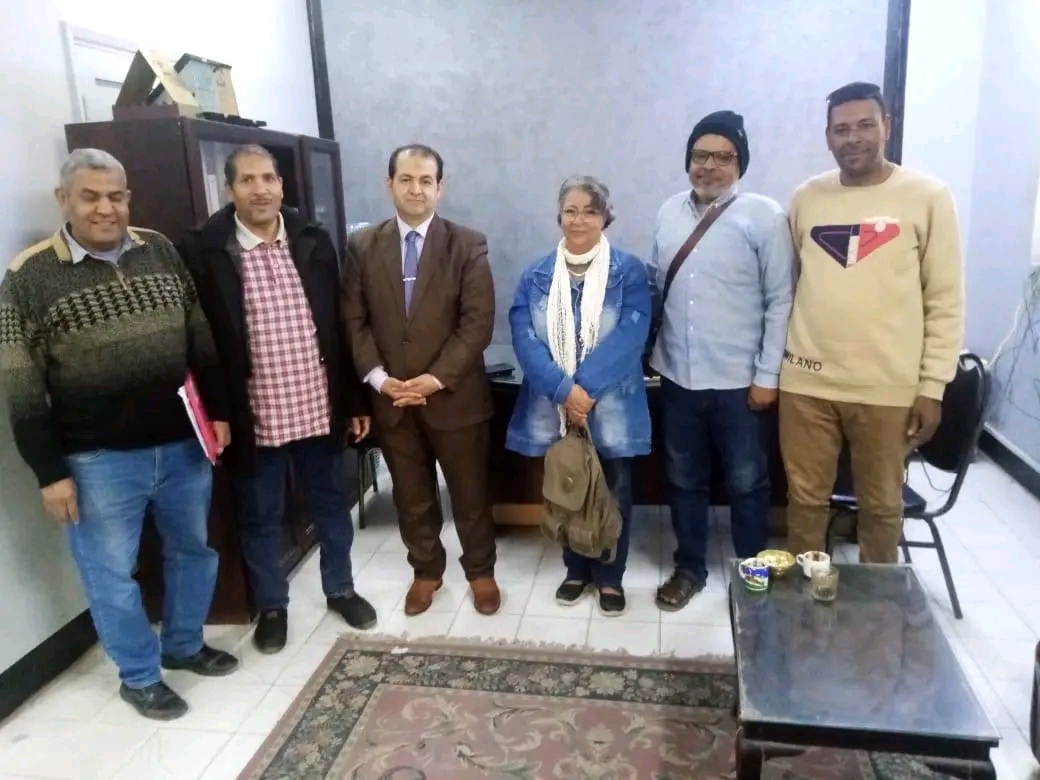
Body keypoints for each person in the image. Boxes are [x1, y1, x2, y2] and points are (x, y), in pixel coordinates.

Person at [0, 149, 238, 720]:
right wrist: (49, 473)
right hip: (97, 460)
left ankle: (184, 645)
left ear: (128, 197)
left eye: (116, 195)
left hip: (183, 444)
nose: (105, 208)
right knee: (110, 574)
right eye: (90, 196)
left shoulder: (159, 249)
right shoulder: (27, 277)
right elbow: (20, 385)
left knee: (194, 550)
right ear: (64, 199)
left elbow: (199, 337)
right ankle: (139, 676)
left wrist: (219, 413)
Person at [179, 145, 376, 655]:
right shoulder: (206, 250)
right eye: (247, 180)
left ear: (282, 185)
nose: (260, 189)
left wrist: (355, 400)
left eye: (268, 178)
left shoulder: (312, 239)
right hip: (254, 415)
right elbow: (202, 341)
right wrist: (219, 412)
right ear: (230, 189)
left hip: (317, 405)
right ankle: (272, 607)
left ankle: (341, 588)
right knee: (260, 518)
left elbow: (339, 326)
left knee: (331, 506)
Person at [780, 82, 964, 563]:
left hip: (888, 388)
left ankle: (879, 599)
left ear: (887, 127)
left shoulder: (928, 196)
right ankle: (803, 596)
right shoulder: (806, 198)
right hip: (806, 382)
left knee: (881, 507)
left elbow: (945, 300)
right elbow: (792, 286)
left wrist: (933, 386)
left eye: (865, 125)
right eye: (841, 129)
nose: (853, 138)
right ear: (828, 137)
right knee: (804, 501)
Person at [343, 145, 500, 616]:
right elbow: (353, 320)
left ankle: (480, 571)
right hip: (392, 399)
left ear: (440, 188)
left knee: (470, 495)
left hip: (455, 397)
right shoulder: (363, 246)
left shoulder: (467, 244)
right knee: (411, 497)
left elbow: (477, 324)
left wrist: (434, 379)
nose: (416, 189)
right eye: (406, 179)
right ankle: (427, 570)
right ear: (389, 184)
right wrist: (379, 379)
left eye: (426, 180)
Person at [649, 111, 794, 611]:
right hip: (677, 376)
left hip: (741, 382)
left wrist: (768, 376)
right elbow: (656, 284)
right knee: (683, 479)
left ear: (740, 163)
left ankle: (752, 575)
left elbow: (781, 300)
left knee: (748, 483)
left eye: (722, 157)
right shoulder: (668, 211)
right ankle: (689, 568)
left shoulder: (764, 216)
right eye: (700, 155)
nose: (708, 166)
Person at [507, 176, 651, 616]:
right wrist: (564, 391)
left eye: (590, 211)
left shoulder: (629, 272)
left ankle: (609, 575)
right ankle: (575, 570)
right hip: (555, 407)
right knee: (565, 486)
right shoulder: (535, 275)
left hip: (612, 408)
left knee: (614, 490)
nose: (579, 219)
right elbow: (524, 336)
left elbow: (631, 335)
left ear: (605, 217)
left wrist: (582, 391)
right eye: (570, 210)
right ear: (559, 216)